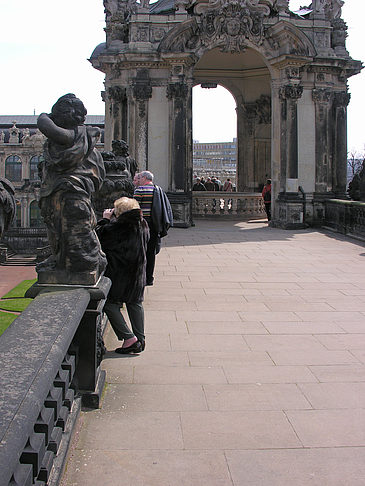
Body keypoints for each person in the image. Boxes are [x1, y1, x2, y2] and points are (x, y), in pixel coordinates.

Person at [96, 197, 149, 354]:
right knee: (135, 303)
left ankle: (129, 338)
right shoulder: (142, 223)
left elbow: (99, 238)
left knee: (109, 303)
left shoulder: (120, 226)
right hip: (138, 271)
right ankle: (140, 339)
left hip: (121, 273)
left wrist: (105, 220)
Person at [133, 171, 173, 286]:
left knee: (141, 251)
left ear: (145, 178)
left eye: (140, 178)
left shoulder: (140, 190)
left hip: (142, 224)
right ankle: (149, 278)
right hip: (155, 225)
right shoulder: (158, 190)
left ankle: (140, 276)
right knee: (151, 252)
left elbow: (134, 208)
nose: (138, 180)